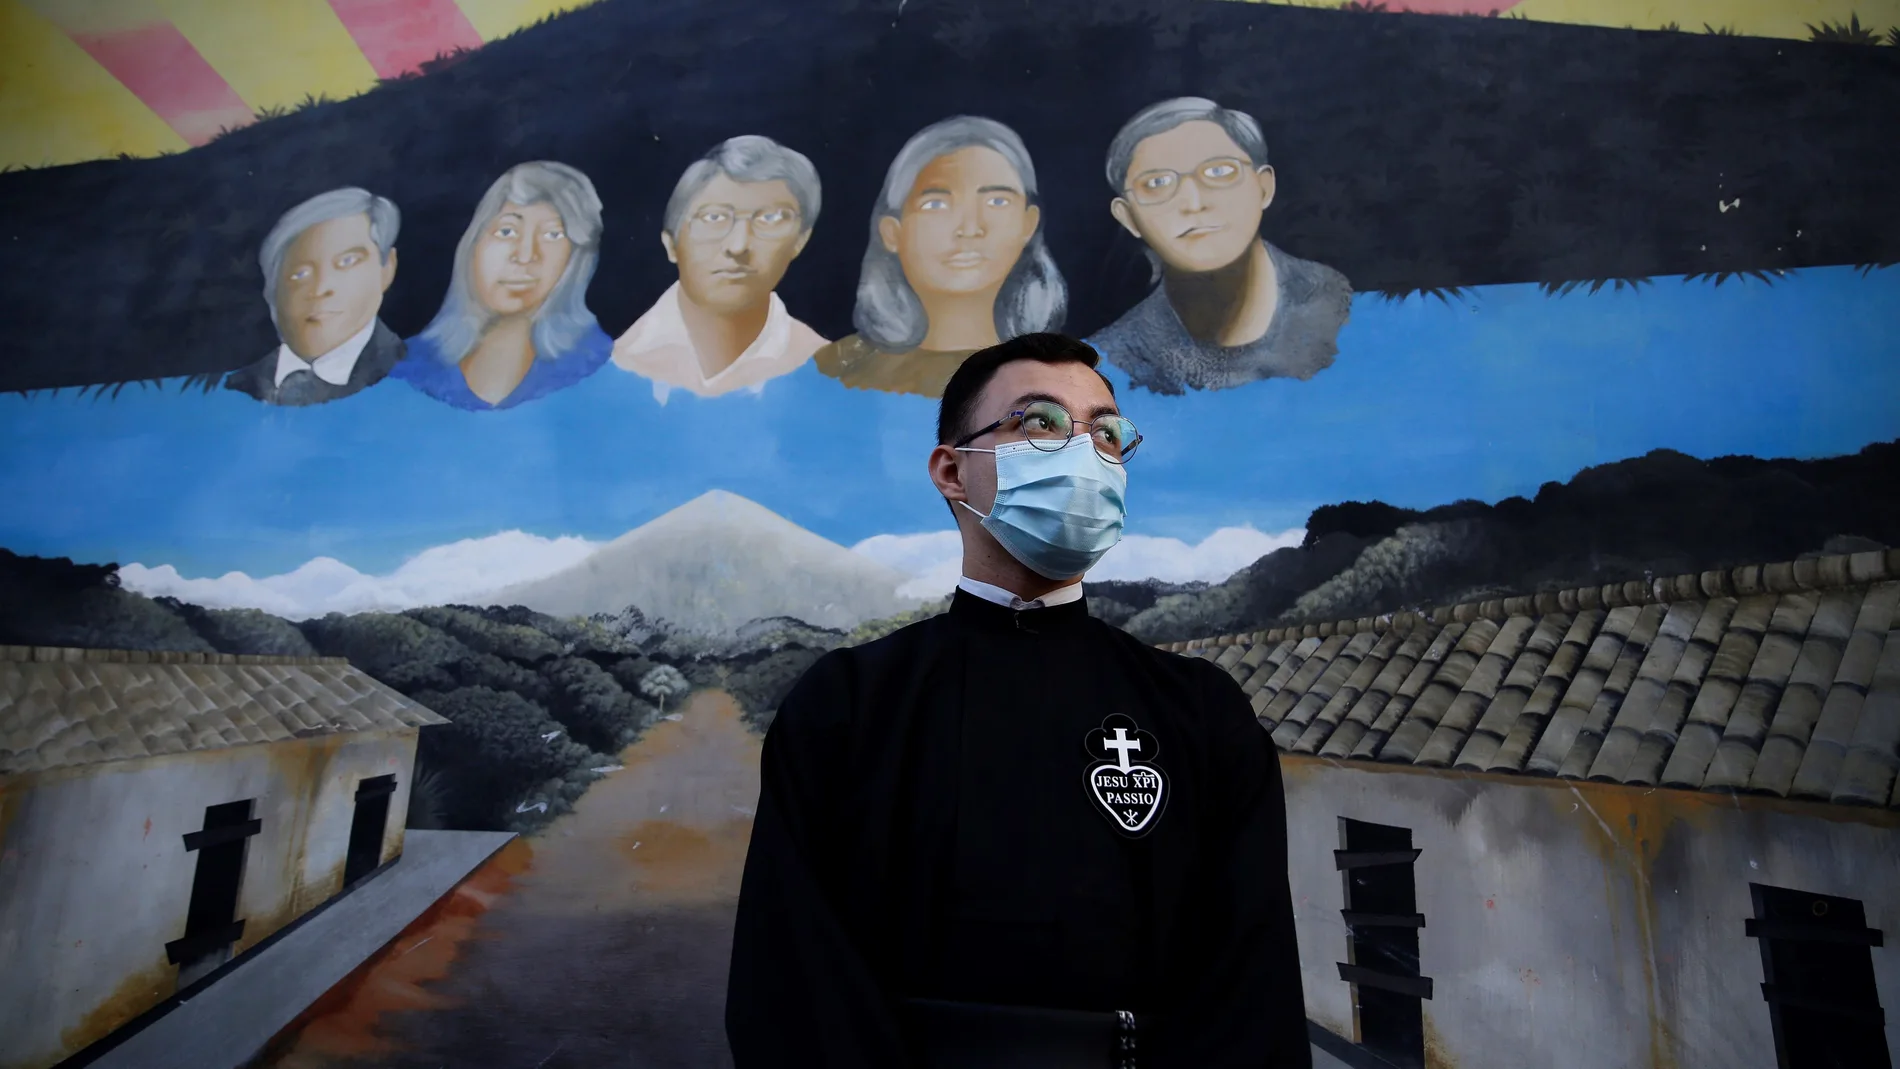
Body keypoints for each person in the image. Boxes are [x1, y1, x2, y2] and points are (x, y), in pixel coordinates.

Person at [728, 332, 1309, 1068]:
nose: (1084, 450)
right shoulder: (849, 705)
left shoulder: (1199, 711)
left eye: (1106, 431)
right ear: (953, 470)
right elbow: (791, 981)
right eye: (1041, 422)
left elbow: (1251, 987)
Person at [1089, 97, 1352, 395]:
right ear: (1128, 217)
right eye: (1157, 183)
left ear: (1264, 187)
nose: (1194, 203)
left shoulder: (1351, 312)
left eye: (1218, 172)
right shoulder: (1110, 364)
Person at [814, 116, 1066, 400]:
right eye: (936, 204)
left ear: (1028, 225)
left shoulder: (1066, 377)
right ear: (892, 233)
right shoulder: (833, 372)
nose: (970, 228)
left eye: (997, 201)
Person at [613, 135, 827, 404]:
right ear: (671, 244)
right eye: (713, 217)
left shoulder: (825, 373)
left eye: (769, 219)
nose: (738, 246)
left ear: (800, 241)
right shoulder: (610, 368)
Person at [392, 161, 610, 410]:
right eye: (507, 232)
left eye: (552, 235)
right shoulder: (407, 368)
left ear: (575, 258)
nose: (526, 255)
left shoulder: (600, 367)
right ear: (472, 244)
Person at [224, 187, 405, 406]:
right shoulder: (229, 390)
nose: (320, 289)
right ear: (272, 290)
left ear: (387, 268)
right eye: (300, 274)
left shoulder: (414, 378)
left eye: (347, 262)